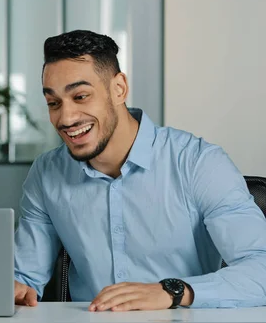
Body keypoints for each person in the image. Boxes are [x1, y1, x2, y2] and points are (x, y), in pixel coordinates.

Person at [13, 30, 266, 310]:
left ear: (119, 88)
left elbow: (261, 270)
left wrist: (172, 292)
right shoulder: (47, 173)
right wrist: (14, 289)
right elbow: (24, 279)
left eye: (81, 96)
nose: (66, 117)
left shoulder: (199, 163)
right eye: (53, 103)